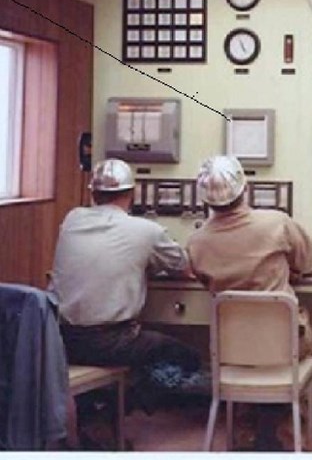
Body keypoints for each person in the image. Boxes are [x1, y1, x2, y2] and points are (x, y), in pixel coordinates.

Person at [49, 158, 201, 444]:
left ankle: (96, 416)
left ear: (93, 193)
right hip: (113, 341)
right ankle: (119, 409)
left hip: (63, 338)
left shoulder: (71, 220)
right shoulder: (146, 230)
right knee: (188, 358)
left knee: (131, 351)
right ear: (132, 193)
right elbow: (184, 268)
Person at [186, 155, 312, 450]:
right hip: (284, 348)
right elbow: (310, 263)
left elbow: (206, 283)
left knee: (247, 356)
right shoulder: (277, 223)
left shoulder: (196, 242)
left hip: (232, 355)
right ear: (244, 189)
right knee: (295, 335)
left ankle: (244, 435)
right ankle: (288, 436)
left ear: (205, 199)